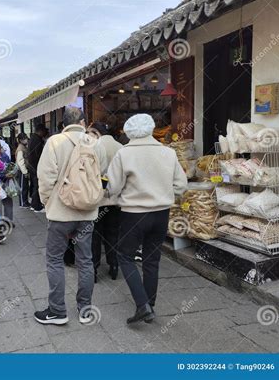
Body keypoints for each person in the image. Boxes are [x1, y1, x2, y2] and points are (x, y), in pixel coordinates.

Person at [107, 114, 187, 324]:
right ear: (151, 128)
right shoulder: (168, 153)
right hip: (161, 213)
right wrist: (164, 194)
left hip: (133, 214)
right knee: (152, 259)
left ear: (129, 131)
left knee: (125, 257)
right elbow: (181, 185)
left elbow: (113, 187)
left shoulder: (123, 154)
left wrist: (116, 196)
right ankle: (150, 304)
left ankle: (142, 305)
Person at [33, 107, 107, 326]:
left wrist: (48, 202)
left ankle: (57, 311)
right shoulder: (95, 143)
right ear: (83, 122)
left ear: (63, 123)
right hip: (87, 213)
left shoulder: (54, 142)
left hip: (60, 213)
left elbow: (45, 178)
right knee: (85, 260)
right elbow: (99, 174)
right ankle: (85, 309)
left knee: (55, 260)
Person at [87, 122, 123, 282]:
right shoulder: (120, 147)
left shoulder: (94, 146)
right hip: (115, 199)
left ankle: (94, 269)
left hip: (98, 199)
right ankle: (114, 265)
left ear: (96, 132)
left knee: (95, 235)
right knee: (113, 234)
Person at [27, 123, 48, 212]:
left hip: (31, 165)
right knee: (37, 185)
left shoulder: (32, 138)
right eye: (44, 131)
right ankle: (36, 206)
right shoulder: (37, 140)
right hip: (36, 166)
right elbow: (38, 155)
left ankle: (33, 203)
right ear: (41, 131)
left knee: (34, 184)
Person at [15, 133, 30, 208]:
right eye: (25, 138)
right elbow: (20, 162)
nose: (26, 139)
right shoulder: (20, 148)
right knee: (23, 187)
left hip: (23, 170)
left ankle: (25, 202)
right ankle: (23, 203)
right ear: (21, 140)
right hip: (22, 171)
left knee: (25, 187)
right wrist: (25, 172)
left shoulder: (23, 147)